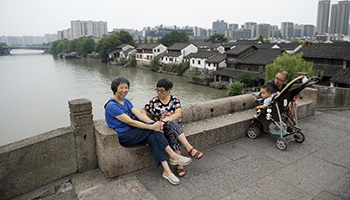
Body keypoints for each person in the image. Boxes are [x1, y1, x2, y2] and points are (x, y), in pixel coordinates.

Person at [104, 77, 192, 185]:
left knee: (153, 137)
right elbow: (131, 122)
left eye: (126, 88)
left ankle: (167, 171)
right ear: (115, 88)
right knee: (152, 131)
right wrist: (152, 127)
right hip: (125, 136)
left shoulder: (125, 101)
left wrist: (154, 124)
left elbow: (140, 115)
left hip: (134, 132)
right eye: (121, 88)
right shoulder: (112, 105)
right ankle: (173, 156)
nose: (124, 90)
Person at [141, 78, 203, 177]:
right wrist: (147, 118)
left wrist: (165, 120)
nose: (159, 93)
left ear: (169, 90)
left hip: (173, 127)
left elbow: (178, 114)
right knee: (172, 126)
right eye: (157, 90)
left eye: (162, 90)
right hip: (161, 129)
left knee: (173, 129)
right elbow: (144, 109)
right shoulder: (154, 101)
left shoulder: (175, 100)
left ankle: (178, 162)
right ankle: (189, 149)